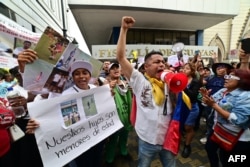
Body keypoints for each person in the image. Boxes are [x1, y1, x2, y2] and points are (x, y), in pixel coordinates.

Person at [116, 16, 176, 167]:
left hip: (167, 138)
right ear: (146, 67)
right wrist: (124, 29)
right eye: (156, 62)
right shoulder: (139, 81)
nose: (161, 64)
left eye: (163, 62)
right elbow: (121, 58)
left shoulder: (171, 83)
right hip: (146, 139)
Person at [26, 60, 106, 167]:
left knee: (96, 161)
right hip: (78, 141)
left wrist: (109, 94)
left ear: (89, 75)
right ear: (72, 77)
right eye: (77, 73)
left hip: (97, 136)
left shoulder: (96, 89)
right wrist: (38, 124)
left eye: (85, 73)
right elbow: (52, 114)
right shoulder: (65, 95)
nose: (81, 76)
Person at [200, 69, 250, 167]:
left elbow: (239, 120)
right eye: (227, 76)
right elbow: (209, 102)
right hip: (219, 131)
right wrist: (205, 97)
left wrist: (214, 105)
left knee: (230, 161)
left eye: (230, 76)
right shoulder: (223, 91)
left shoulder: (246, 96)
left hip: (238, 140)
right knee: (212, 150)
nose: (226, 78)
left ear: (242, 80)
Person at [104, 63, 133, 166]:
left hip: (126, 116)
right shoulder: (106, 83)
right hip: (114, 118)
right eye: (113, 68)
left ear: (121, 70)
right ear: (109, 71)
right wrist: (107, 89)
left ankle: (123, 152)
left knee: (124, 135)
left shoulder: (127, 83)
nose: (115, 70)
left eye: (117, 68)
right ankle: (109, 159)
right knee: (113, 139)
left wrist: (132, 90)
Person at [181, 63, 201, 158]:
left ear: (192, 71)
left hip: (192, 108)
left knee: (188, 127)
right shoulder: (180, 79)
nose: (184, 70)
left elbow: (193, 96)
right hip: (181, 106)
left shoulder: (195, 81)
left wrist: (183, 86)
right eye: (183, 68)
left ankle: (187, 145)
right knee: (181, 126)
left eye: (187, 68)